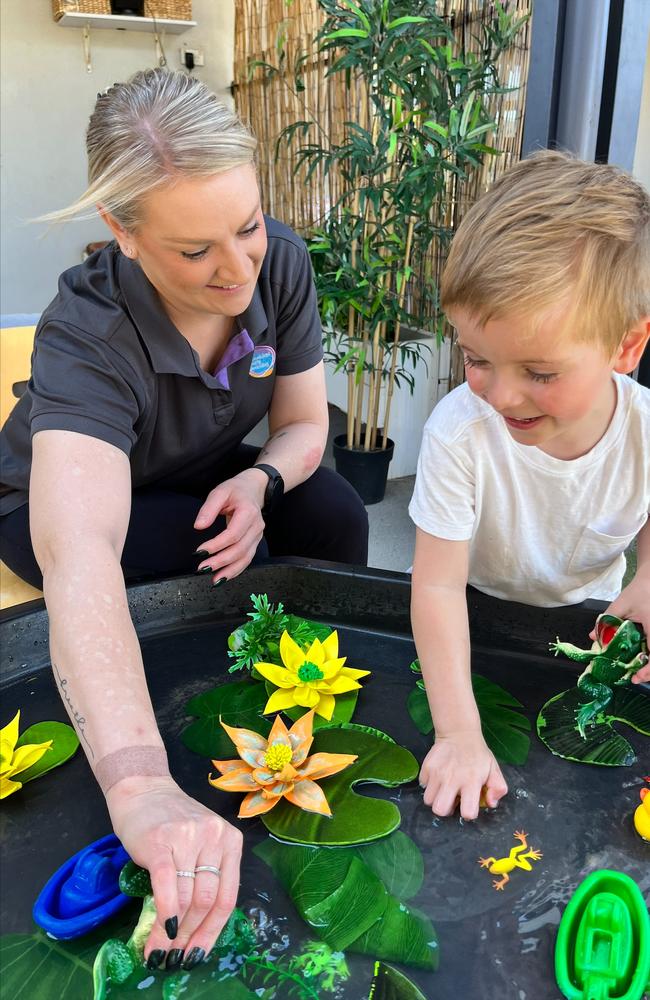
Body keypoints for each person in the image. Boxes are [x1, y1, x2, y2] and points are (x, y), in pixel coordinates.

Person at [0, 68, 368, 971]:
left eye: (246, 226)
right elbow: (81, 550)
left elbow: (306, 427)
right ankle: (163, 753)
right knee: (178, 563)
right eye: (196, 251)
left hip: (210, 470)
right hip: (56, 507)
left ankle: (301, 714)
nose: (239, 269)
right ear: (121, 233)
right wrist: (138, 788)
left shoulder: (278, 261)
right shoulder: (86, 331)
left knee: (331, 512)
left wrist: (264, 485)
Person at [409, 150, 650, 824]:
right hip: (474, 625)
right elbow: (433, 587)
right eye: (476, 358)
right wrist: (457, 734)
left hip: (583, 629)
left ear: (625, 349)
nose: (501, 393)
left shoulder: (645, 432)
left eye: (539, 373)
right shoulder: (460, 433)